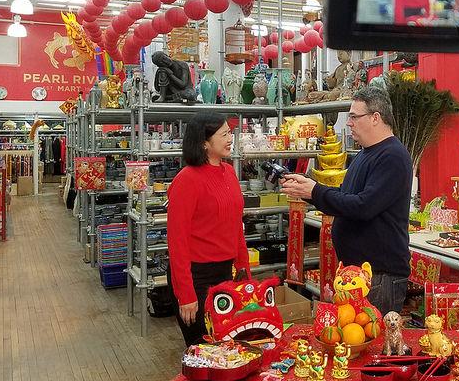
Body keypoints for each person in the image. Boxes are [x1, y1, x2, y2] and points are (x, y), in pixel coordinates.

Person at [280, 87, 413, 314]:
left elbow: (363, 206)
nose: (349, 123)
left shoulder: (392, 156)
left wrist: (316, 192)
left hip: (378, 276)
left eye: (354, 116)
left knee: (371, 333)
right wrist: (309, 191)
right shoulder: (365, 153)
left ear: (375, 118)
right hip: (358, 273)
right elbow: (347, 194)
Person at [167, 113, 249, 345]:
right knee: (202, 350)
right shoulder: (187, 180)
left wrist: (243, 271)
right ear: (204, 143)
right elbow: (177, 241)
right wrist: (186, 294)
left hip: (225, 273)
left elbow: (236, 226)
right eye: (223, 134)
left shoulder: (229, 172)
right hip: (196, 277)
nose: (230, 139)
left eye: (230, 133)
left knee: (228, 346)